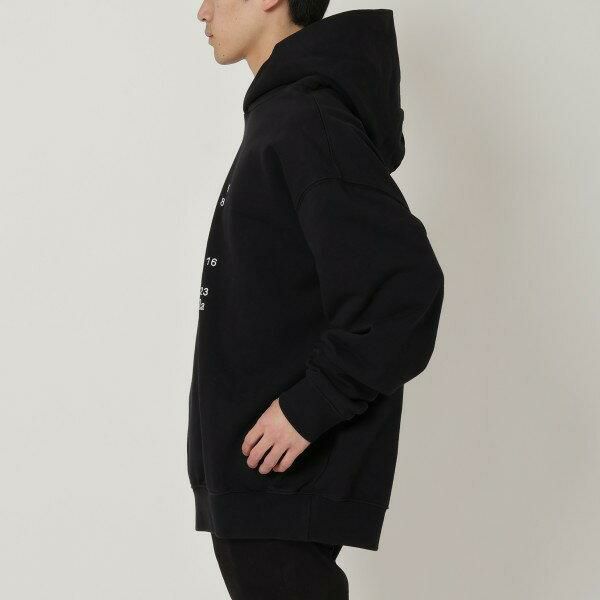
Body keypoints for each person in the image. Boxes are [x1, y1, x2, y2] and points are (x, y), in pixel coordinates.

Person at [189, 2, 445, 598]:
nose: (202, 10)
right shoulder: (284, 117)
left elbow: (404, 289)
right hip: (260, 482)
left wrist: (312, 406)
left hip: (281, 480)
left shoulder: (306, 120)